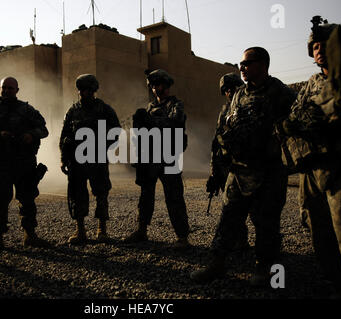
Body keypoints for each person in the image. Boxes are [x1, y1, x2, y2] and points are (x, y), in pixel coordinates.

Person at [190, 48, 296, 286]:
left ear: (263, 65)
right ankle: (217, 263)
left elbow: (294, 127)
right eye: (241, 64)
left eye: (246, 63)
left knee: (266, 222)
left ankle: (265, 267)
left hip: (268, 170)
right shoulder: (238, 94)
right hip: (239, 169)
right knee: (228, 218)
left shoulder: (280, 92)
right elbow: (228, 125)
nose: (242, 68)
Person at [280, 16, 341, 297]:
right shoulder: (310, 83)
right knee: (315, 225)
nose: (319, 50)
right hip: (312, 169)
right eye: (315, 47)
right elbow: (295, 116)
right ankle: (336, 282)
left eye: (325, 45)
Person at [0, 76, 50, 252]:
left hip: (24, 163)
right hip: (0, 162)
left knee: (27, 199)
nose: (7, 91)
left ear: (17, 90)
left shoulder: (27, 109)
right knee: (0, 200)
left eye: (11, 88)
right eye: (4, 88)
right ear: (0, 89)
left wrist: (31, 135)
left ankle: (30, 235)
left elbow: (44, 129)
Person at [124, 69, 190, 249]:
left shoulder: (176, 104)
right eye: (152, 85)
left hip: (168, 157)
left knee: (174, 196)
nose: (155, 88)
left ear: (166, 85)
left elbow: (175, 122)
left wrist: (150, 122)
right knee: (146, 195)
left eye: (158, 84)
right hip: (150, 156)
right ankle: (141, 230)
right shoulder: (149, 108)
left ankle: (183, 238)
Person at [59, 74, 121, 245]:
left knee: (101, 193)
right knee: (77, 194)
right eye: (80, 90)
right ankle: (81, 231)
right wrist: (63, 158)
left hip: (97, 159)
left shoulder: (104, 109)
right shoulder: (72, 111)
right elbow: (65, 135)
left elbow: (116, 131)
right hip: (76, 160)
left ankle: (102, 230)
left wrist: (102, 146)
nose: (83, 93)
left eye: (87, 90)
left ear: (94, 90)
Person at [207, 72, 250, 251]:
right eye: (226, 90)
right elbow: (217, 142)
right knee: (231, 208)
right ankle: (240, 241)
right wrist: (214, 170)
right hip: (228, 167)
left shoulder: (249, 105)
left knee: (257, 211)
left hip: (249, 166)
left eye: (233, 88)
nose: (230, 92)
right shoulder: (224, 111)